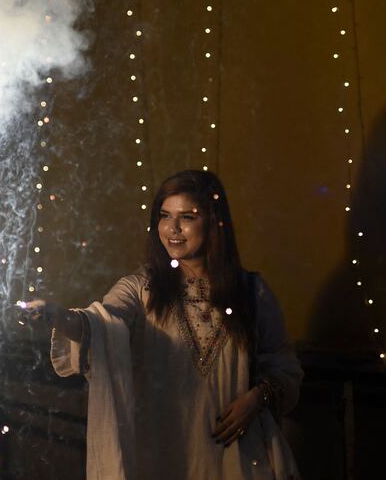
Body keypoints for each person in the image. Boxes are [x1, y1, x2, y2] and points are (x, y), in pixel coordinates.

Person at [27, 170, 302, 480]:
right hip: (164, 453)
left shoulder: (251, 291)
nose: (173, 229)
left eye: (187, 217)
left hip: (237, 455)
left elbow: (285, 367)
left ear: (213, 222)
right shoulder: (140, 290)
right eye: (165, 216)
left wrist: (256, 399)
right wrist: (58, 315)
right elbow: (103, 323)